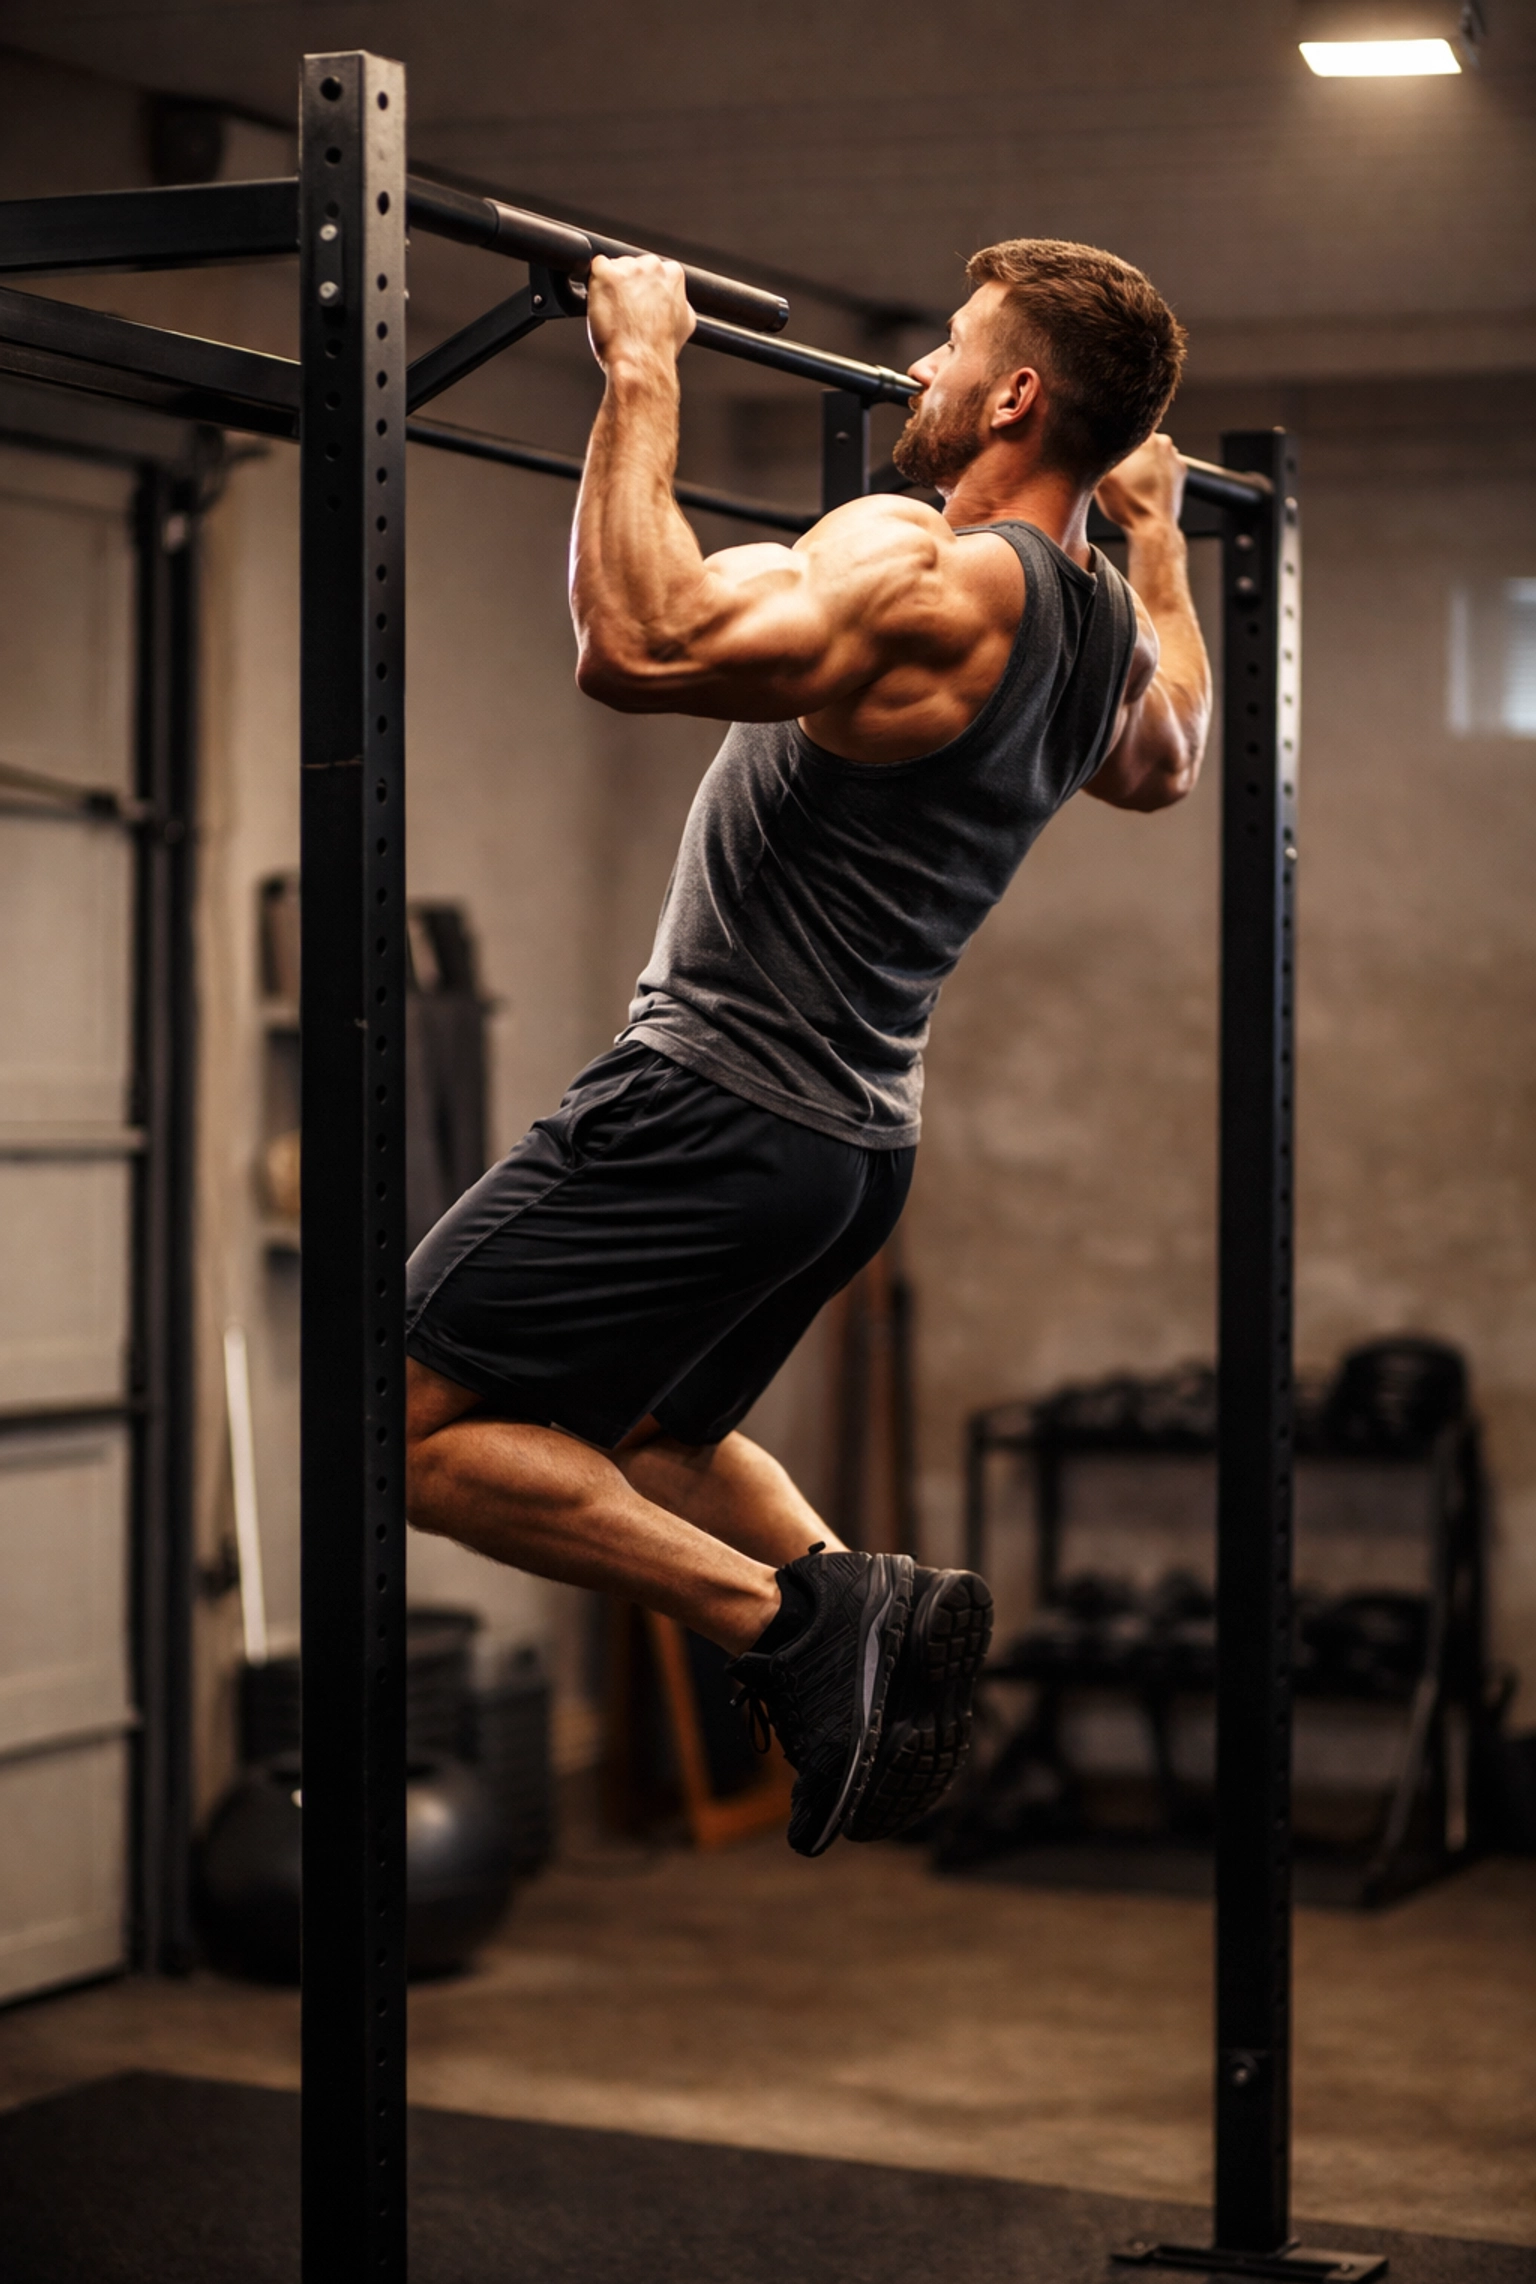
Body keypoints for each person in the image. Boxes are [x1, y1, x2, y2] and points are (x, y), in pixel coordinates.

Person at [405, 237, 1212, 1859]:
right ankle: (865, 1621)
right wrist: (1162, 543)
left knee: (397, 1421)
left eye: (949, 346)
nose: (918, 371)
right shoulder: (1101, 632)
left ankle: (791, 1624)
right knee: (658, 1441)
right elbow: (1174, 756)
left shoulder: (930, 566)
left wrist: (642, 360)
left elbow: (636, 644)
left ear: (1015, 395)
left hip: (711, 1099)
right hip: (852, 1149)